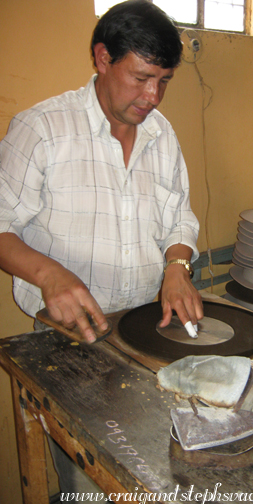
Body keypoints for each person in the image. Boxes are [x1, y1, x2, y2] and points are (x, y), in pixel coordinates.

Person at [0, 0, 203, 498]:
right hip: (69, 342)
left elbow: (178, 215)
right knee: (89, 486)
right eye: (140, 78)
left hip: (147, 333)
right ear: (102, 59)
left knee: (157, 474)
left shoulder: (161, 135)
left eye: (164, 81)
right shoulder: (41, 129)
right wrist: (48, 274)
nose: (152, 96)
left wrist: (177, 265)